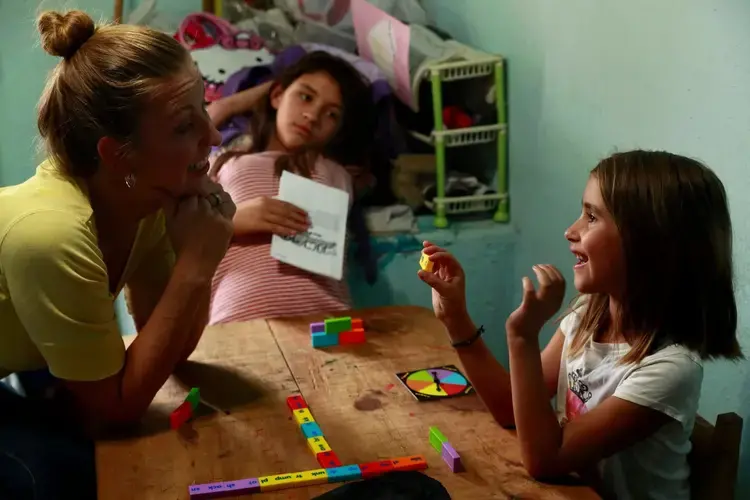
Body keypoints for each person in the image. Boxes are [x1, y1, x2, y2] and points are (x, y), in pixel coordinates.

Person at [0, 10, 235, 499]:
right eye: (183, 127)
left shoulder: (144, 201)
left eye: (205, 112)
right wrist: (195, 267)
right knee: (63, 479)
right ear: (117, 154)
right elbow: (111, 413)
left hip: (22, 356)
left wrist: (193, 254)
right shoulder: (53, 233)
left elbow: (173, 347)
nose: (212, 139)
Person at [418, 150, 742, 499]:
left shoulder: (669, 369)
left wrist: (522, 337)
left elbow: (545, 458)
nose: (571, 231)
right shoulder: (588, 314)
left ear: (648, 243)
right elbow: (508, 407)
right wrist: (455, 318)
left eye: (591, 217)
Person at [208, 51, 377, 324]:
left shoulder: (337, 173)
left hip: (329, 320)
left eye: (331, 114)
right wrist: (232, 220)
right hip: (239, 321)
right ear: (277, 96)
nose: (311, 116)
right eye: (305, 97)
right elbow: (177, 232)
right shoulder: (224, 162)